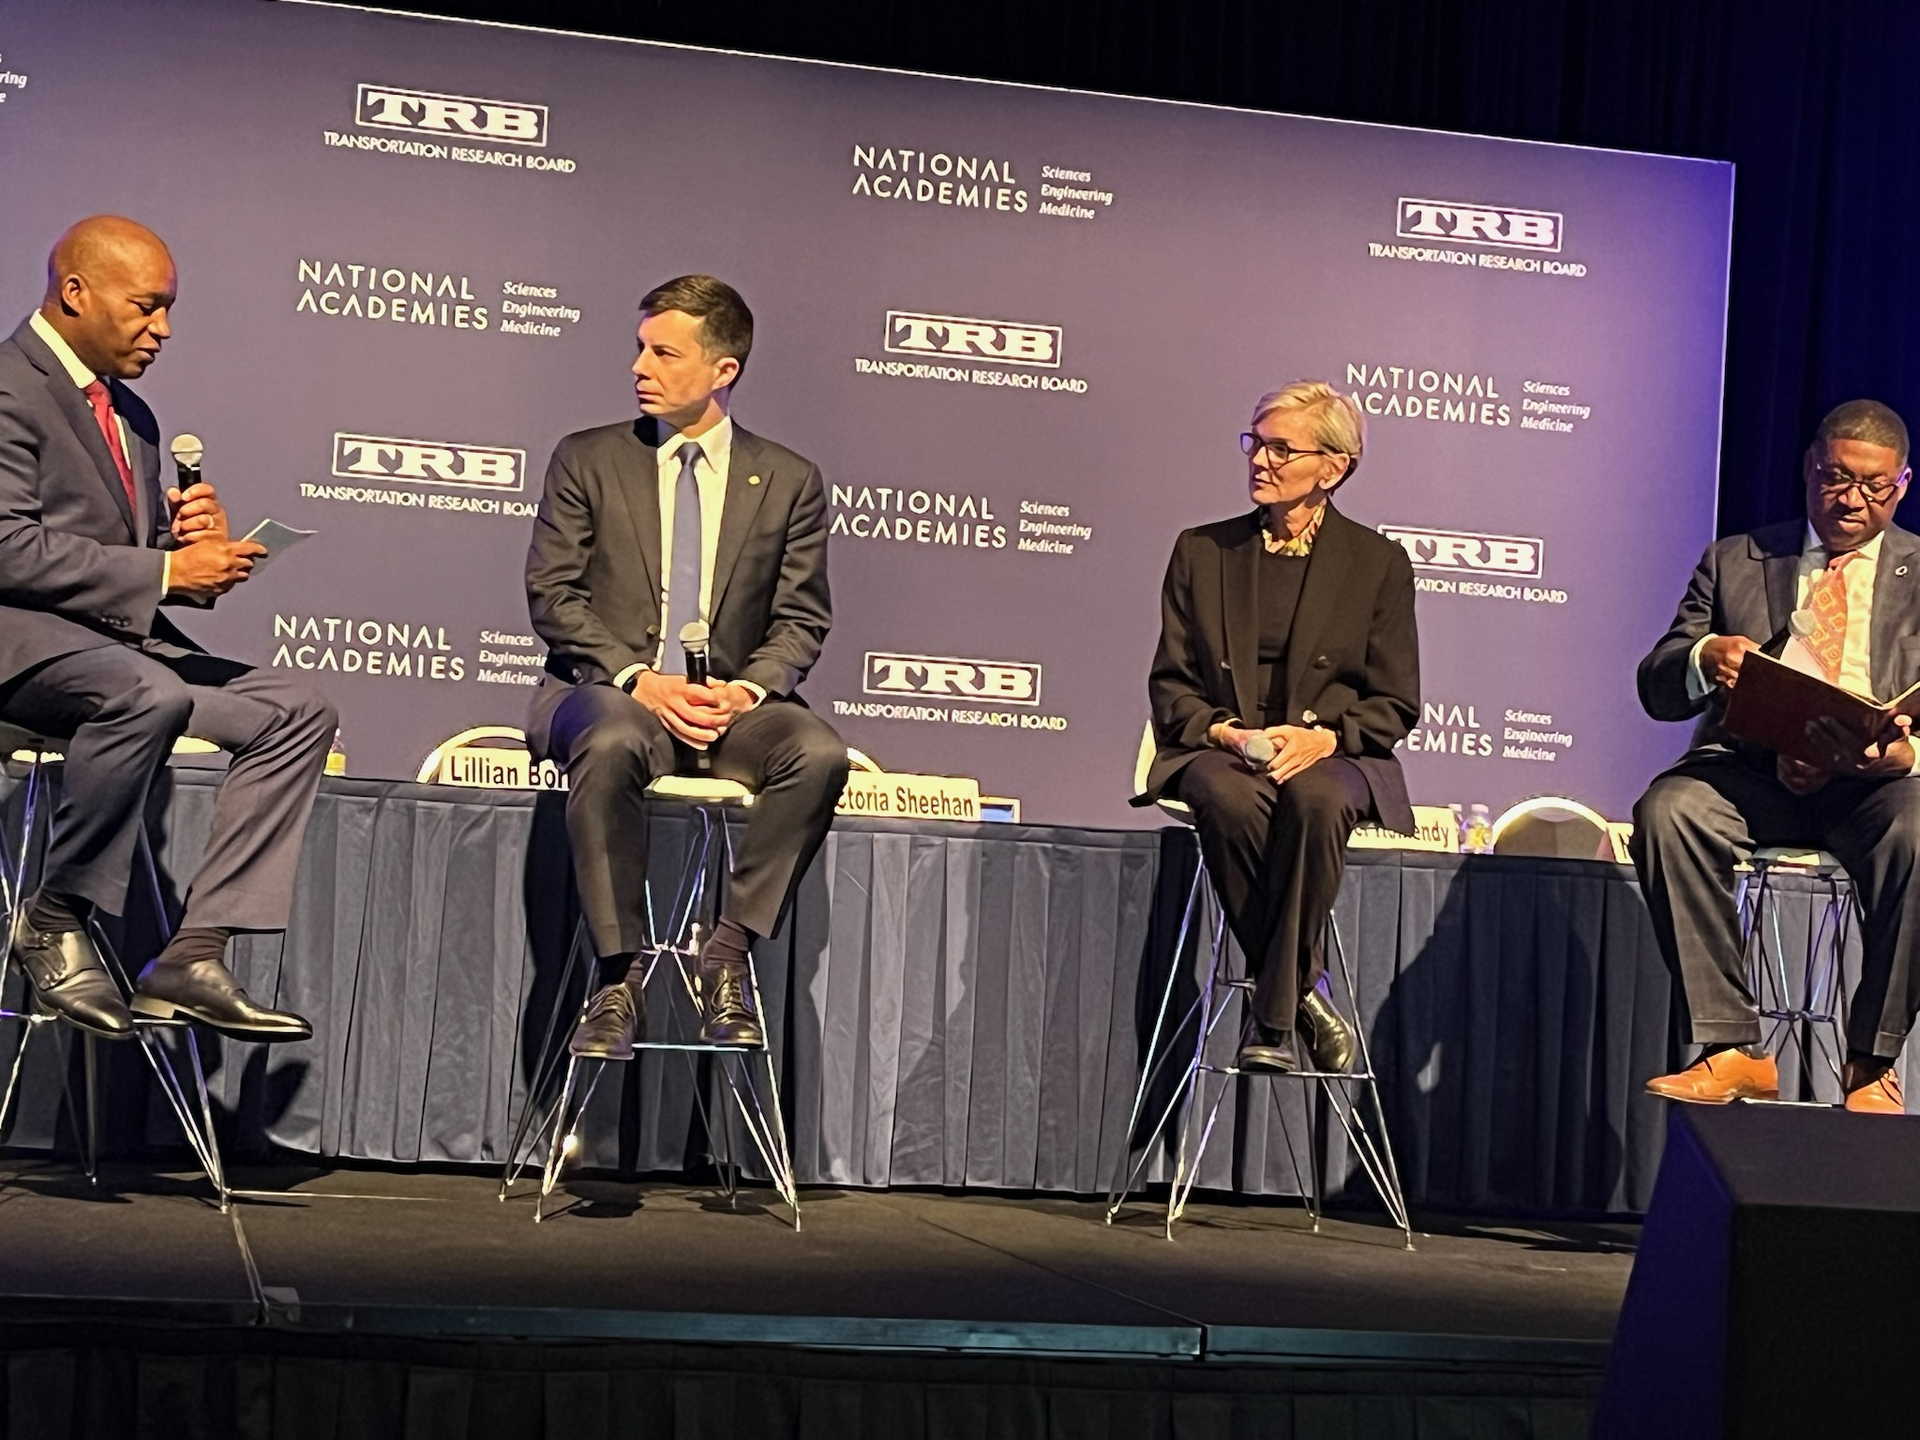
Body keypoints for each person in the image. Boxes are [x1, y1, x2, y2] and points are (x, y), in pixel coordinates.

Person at [0, 216, 330, 1042]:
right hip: (23, 646)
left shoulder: (134, 416)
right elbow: (7, 545)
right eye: (146, 307)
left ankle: (193, 953)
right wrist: (163, 573)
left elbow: (136, 569)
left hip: (115, 647)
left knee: (297, 711)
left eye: (168, 309)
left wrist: (191, 558)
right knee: (144, 692)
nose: (164, 329)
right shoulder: (8, 386)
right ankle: (56, 912)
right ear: (76, 293)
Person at [525, 275, 848, 1059]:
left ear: (722, 370)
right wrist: (641, 680)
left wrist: (743, 690)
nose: (641, 365)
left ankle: (727, 953)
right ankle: (617, 973)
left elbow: (801, 619)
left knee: (817, 754)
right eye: (640, 347)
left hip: (725, 712)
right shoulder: (589, 458)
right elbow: (554, 596)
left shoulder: (789, 480)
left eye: (664, 351)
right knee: (608, 738)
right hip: (608, 696)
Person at [1634, 399, 1920, 1115]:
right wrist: (1705, 656)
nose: (1851, 500)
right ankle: (1730, 1047)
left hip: (1874, 784)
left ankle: (1871, 1061)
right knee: (1669, 811)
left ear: (1903, 483)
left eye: (1874, 486)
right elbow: (1658, 683)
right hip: (1752, 770)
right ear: (1807, 468)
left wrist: (1898, 754)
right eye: (1835, 479)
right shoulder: (1737, 558)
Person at [1137, 381, 1420, 1072]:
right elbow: (1171, 685)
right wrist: (1229, 734)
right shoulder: (1202, 552)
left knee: (1316, 799)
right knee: (1230, 798)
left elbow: (1396, 701)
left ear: (1332, 467)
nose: (1260, 460)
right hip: (1221, 748)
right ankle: (1299, 998)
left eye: (1280, 448)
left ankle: (1271, 1015)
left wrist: (1324, 737)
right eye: (1255, 443)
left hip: (1333, 750)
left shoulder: (1378, 564)